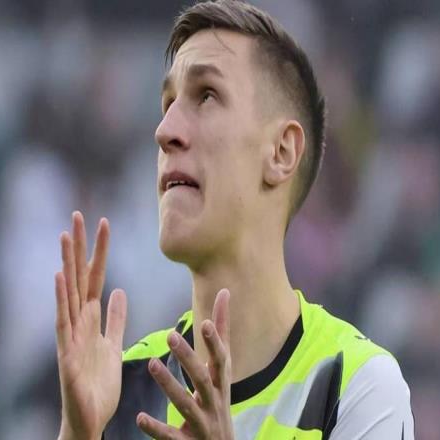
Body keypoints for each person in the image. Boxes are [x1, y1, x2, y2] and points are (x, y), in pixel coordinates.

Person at [54, 1, 414, 439]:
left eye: (206, 95)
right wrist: (78, 432)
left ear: (281, 152)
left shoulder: (355, 385)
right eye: (167, 103)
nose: (165, 130)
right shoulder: (124, 384)